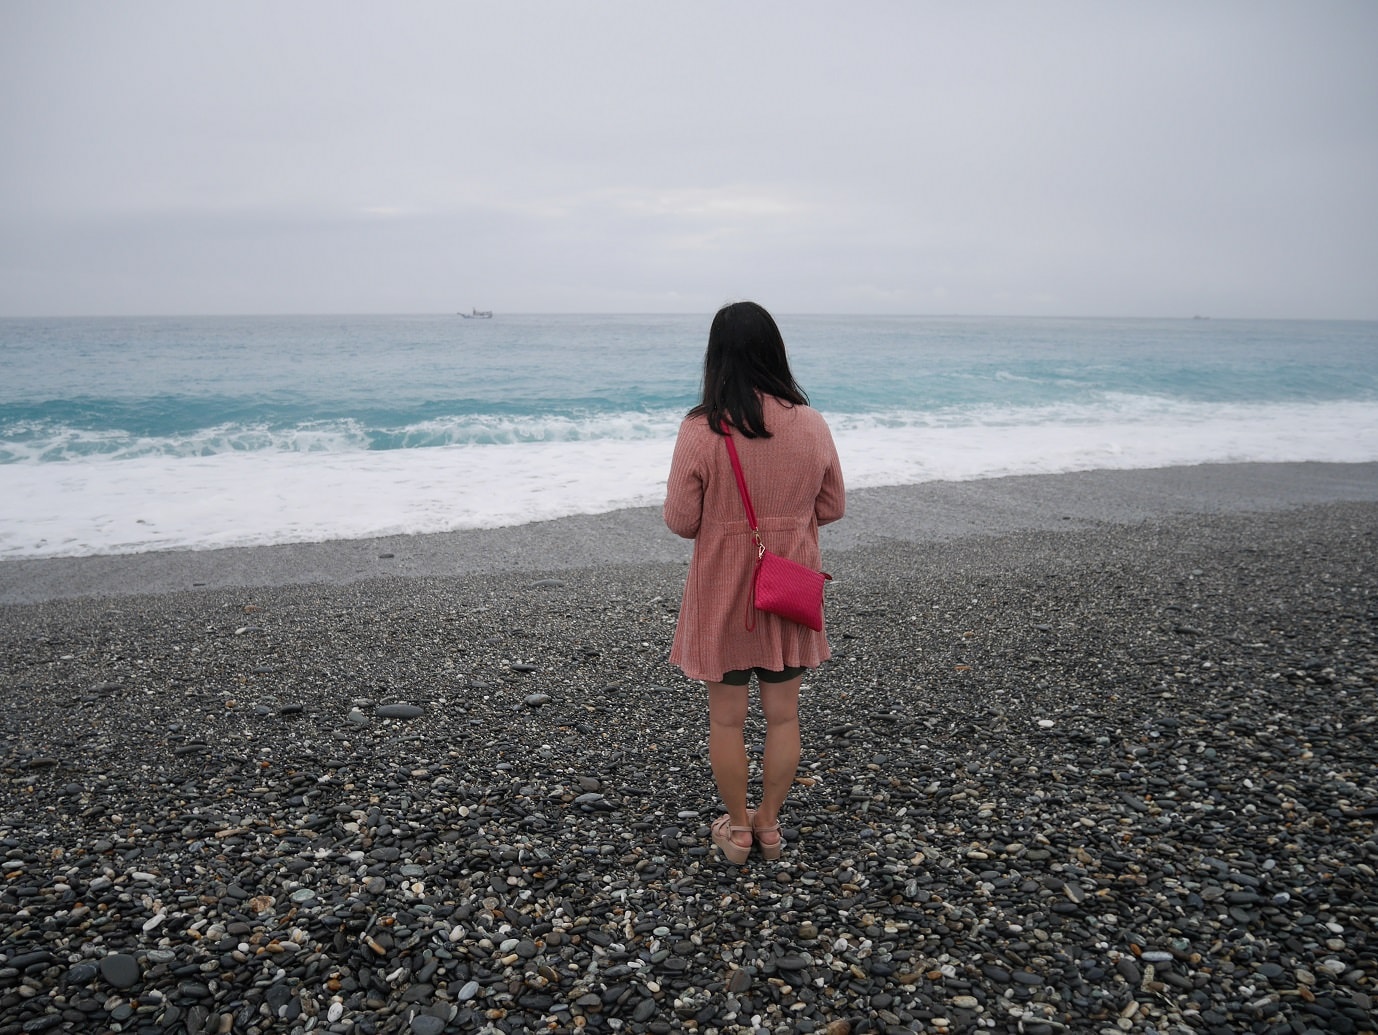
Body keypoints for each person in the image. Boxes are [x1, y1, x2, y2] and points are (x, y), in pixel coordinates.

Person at [663, 301, 845, 865]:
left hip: (723, 590)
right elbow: (833, 505)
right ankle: (769, 825)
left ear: (716, 358)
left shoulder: (702, 428)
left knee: (726, 717)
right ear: (775, 352)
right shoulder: (810, 423)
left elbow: (681, 520)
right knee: (784, 714)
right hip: (787, 583)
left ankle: (737, 830)